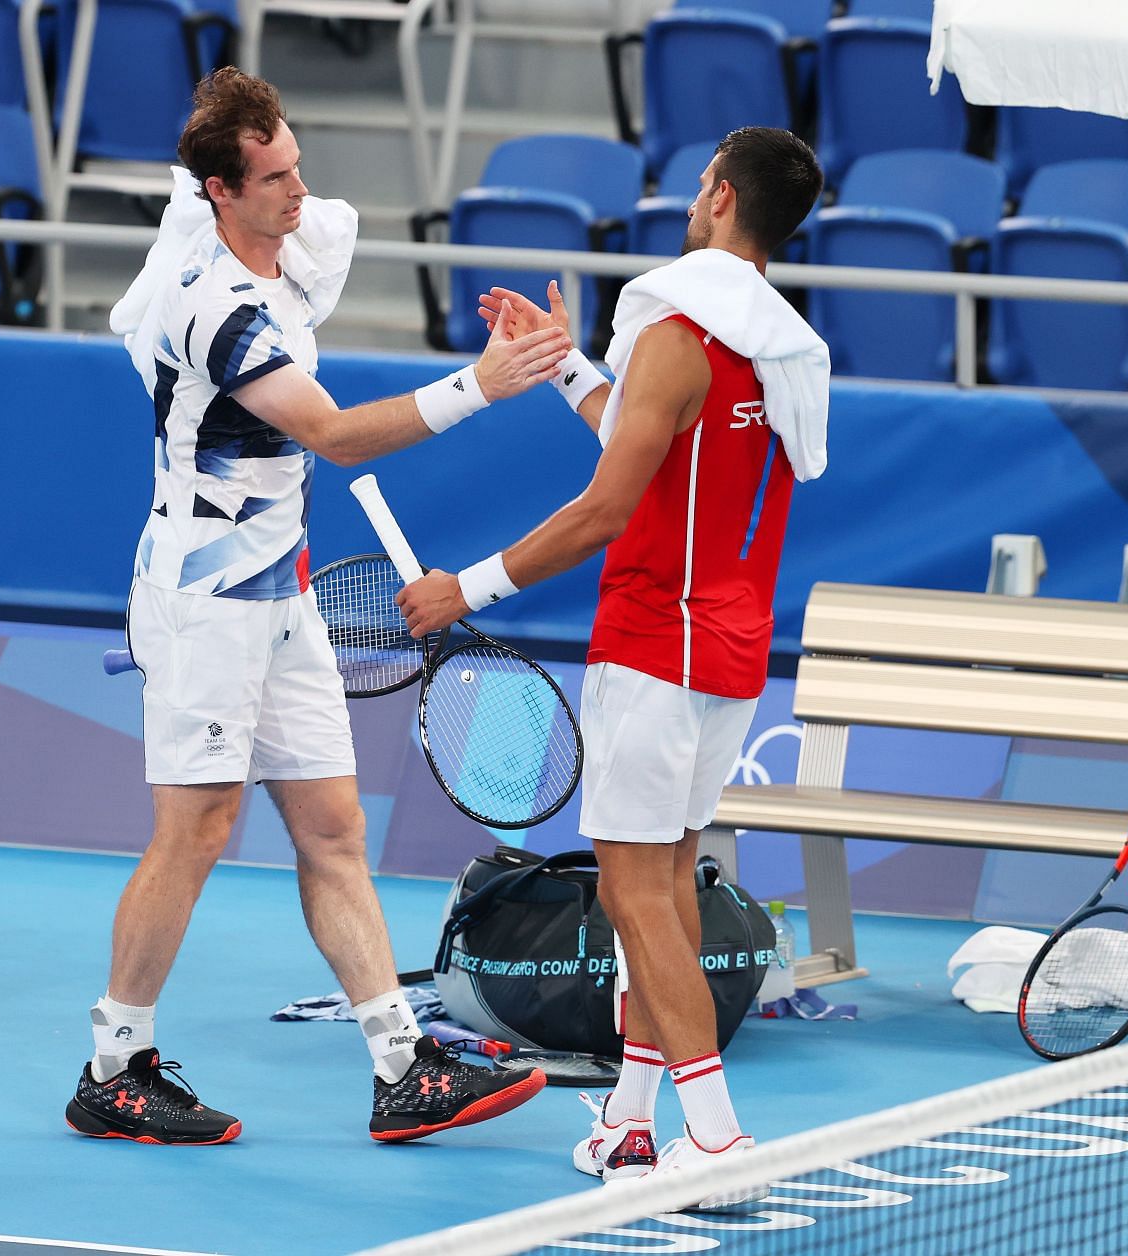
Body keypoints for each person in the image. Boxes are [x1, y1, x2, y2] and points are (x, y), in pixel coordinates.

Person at [64, 68, 571, 1147]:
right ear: (218, 192)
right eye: (275, 177)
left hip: (284, 588)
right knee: (195, 830)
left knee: (335, 827)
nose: (299, 190)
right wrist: (483, 382)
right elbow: (332, 434)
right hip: (203, 596)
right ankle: (116, 1064)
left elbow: (300, 222)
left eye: (299, 166)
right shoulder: (215, 308)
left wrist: (515, 333)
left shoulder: (296, 243)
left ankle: (403, 1064)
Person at [395, 126, 829, 1205]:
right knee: (668, 879)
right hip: (729, 652)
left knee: (635, 892)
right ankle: (633, 1123)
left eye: (698, 183)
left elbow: (605, 506)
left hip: (652, 646)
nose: (691, 196)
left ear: (720, 197)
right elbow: (648, 436)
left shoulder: (682, 332)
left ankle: (720, 1138)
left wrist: (469, 587)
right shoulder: (769, 347)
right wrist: (568, 365)